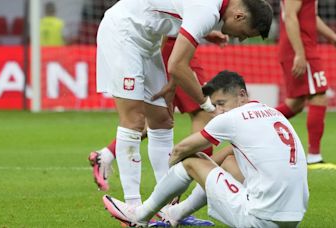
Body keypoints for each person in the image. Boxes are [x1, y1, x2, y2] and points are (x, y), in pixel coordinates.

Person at [95, 0, 272, 219]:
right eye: (245, 33)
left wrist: (173, 81)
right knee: (134, 120)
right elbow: (177, 65)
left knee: (162, 120)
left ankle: (164, 205)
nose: (241, 38)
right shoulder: (208, 10)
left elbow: (172, 19)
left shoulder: (212, 11)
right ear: (239, 16)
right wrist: (208, 106)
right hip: (123, 33)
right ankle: (133, 208)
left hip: (148, 41)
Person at [102, 71, 309, 227]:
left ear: (242, 95)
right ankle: (175, 214)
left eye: (221, 103)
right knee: (228, 161)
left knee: (192, 160)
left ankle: (139, 216)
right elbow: (227, 154)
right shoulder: (272, 112)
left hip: (259, 219)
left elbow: (180, 150)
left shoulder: (231, 118)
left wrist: (173, 182)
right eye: (215, 105)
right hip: (292, 219)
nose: (218, 111)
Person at [89, 37, 215, 226]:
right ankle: (149, 207)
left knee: (160, 120)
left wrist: (207, 31)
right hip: (172, 50)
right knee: (201, 115)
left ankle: (107, 155)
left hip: (175, 48)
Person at [275, 0, 336, 170]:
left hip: (300, 47)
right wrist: (300, 54)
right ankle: (314, 157)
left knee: (295, 103)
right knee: (319, 95)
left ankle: (255, 121)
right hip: (300, 48)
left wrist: (333, 37)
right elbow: (290, 16)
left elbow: (310, 16)